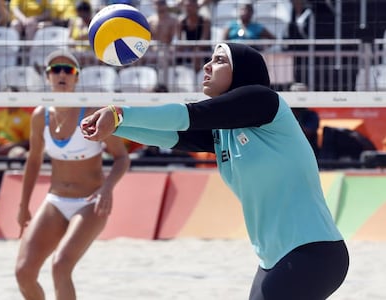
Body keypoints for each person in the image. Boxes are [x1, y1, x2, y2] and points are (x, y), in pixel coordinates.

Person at [81, 42, 349, 299]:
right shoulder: (225, 132)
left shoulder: (264, 101)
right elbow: (172, 135)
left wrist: (119, 114)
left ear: (241, 70)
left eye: (219, 60)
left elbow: (188, 115)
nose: (207, 66)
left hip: (314, 253)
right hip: (272, 259)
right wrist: (115, 127)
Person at [14, 49, 130, 300]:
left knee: (60, 266)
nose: (62, 74)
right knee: (24, 272)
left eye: (69, 70)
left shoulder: (91, 112)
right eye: (56, 69)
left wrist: (107, 188)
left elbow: (122, 158)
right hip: (55, 201)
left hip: (90, 202)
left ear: (77, 77)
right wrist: (24, 205)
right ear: (48, 77)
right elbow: (33, 162)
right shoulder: (40, 116)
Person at [177, 0, 211, 72]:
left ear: (196, 7)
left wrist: (192, 48)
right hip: (189, 49)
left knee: (196, 53)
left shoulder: (205, 20)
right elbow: (179, 42)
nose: (188, 8)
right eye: (186, 6)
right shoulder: (181, 21)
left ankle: (197, 78)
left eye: (191, 6)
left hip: (204, 50)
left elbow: (203, 41)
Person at [289, 82, 320, 157]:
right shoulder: (285, 114)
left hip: (307, 153)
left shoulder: (311, 115)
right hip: (289, 152)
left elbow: (308, 132)